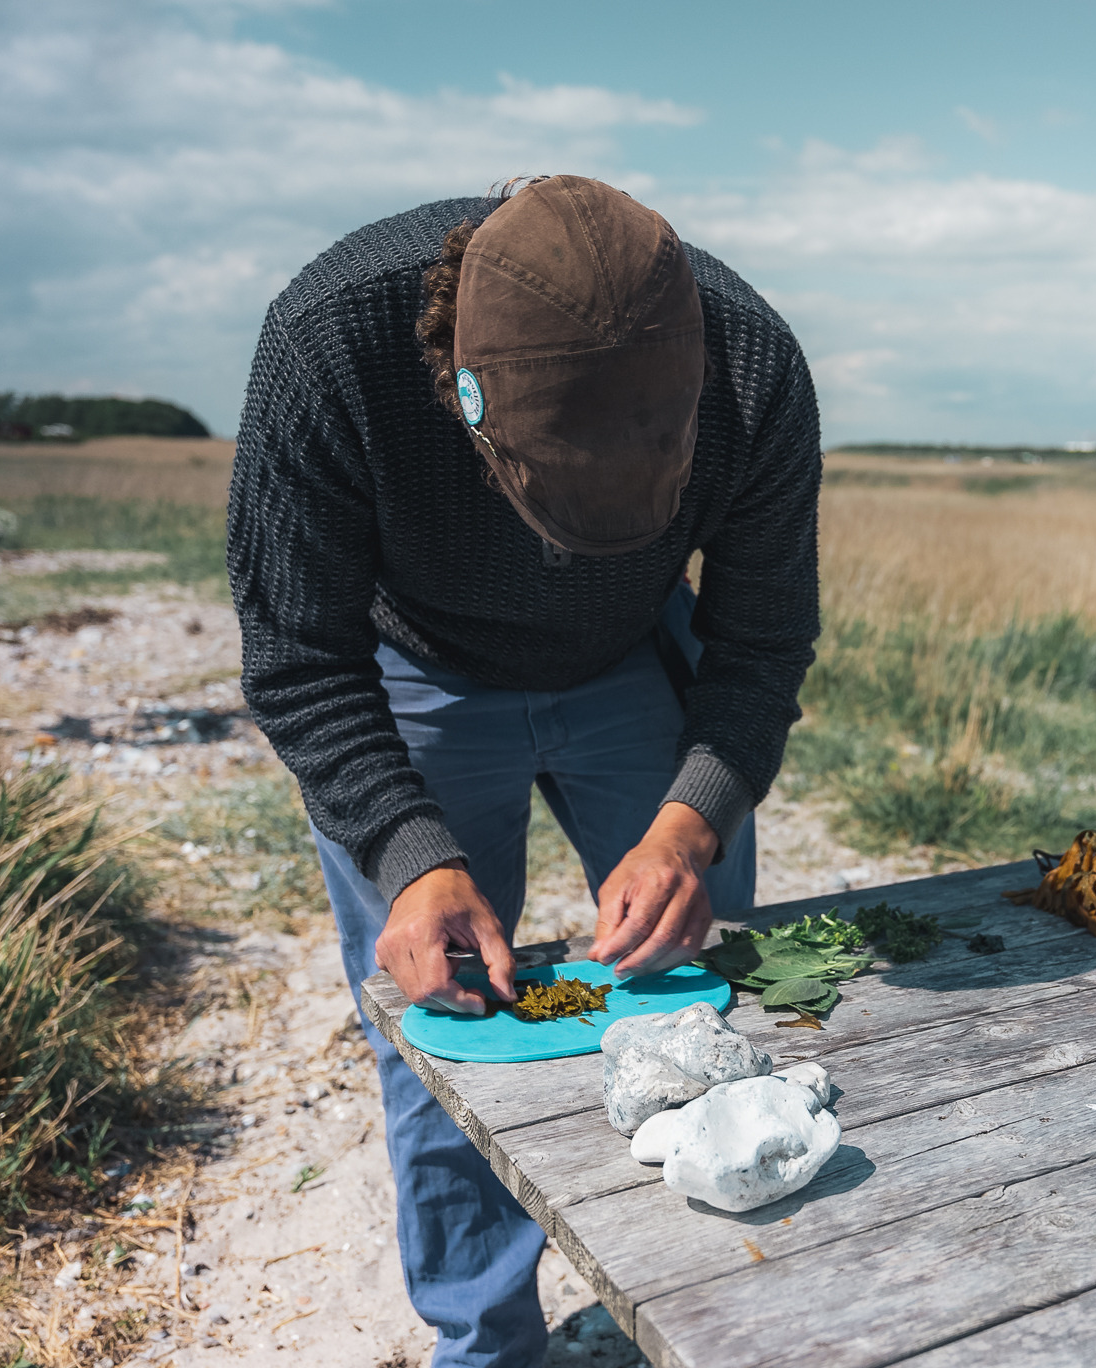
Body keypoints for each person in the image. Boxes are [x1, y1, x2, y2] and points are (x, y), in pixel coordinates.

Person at [227, 175, 821, 1367]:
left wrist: (687, 827)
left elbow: (758, 641)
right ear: (457, 390)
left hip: (637, 660)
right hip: (415, 672)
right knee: (451, 1028)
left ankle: (712, 1310)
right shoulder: (326, 346)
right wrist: (408, 856)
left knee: (697, 1006)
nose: (559, 551)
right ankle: (487, 1345)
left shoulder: (752, 366)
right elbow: (298, 654)